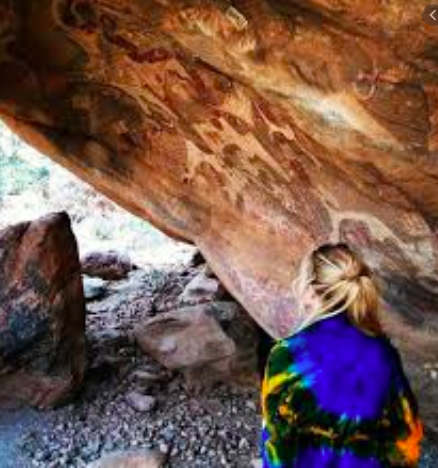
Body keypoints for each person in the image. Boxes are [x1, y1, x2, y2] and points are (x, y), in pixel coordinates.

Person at [261, 243, 423, 468]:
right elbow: (407, 436)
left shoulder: (286, 356)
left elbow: (277, 444)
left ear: (310, 291)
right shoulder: (383, 354)